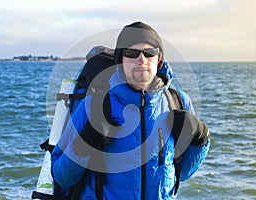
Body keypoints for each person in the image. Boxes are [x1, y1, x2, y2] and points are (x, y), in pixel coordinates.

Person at [51, 21, 210, 199]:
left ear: (159, 60)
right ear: (121, 61)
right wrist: (85, 143)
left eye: (149, 52)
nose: (141, 60)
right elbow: (62, 177)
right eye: (131, 53)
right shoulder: (94, 105)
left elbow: (182, 172)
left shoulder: (178, 102)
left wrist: (200, 139)